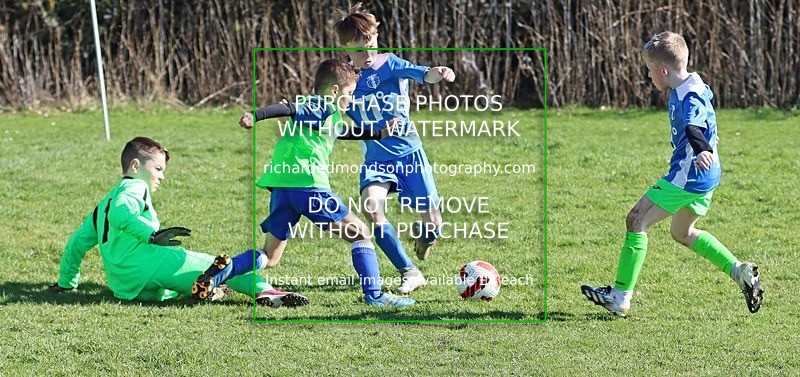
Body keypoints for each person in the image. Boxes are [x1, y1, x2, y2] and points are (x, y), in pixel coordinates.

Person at [197, 58, 415, 307]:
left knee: (270, 257)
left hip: (283, 189)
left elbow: (342, 131)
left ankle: (222, 273)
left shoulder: (327, 115)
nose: (351, 99)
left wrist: (379, 133)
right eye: (350, 93)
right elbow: (288, 109)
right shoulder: (320, 106)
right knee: (361, 234)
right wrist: (254, 116)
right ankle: (375, 296)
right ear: (335, 90)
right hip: (309, 186)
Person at [581, 31, 764, 317]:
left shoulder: (688, 96)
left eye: (649, 70)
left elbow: (693, 126)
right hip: (706, 176)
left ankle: (619, 296)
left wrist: (703, 148)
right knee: (683, 232)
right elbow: (707, 113)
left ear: (663, 70)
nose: (648, 76)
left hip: (688, 176)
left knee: (636, 220)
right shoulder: (694, 85)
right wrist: (710, 144)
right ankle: (738, 271)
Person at [50, 136, 308, 307]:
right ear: (136, 165)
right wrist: (150, 236)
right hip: (149, 265)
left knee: (195, 281)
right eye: (158, 169)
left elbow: (76, 244)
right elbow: (122, 214)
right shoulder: (134, 189)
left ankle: (207, 291)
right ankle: (265, 290)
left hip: (126, 287)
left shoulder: (101, 206)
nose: (161, 177)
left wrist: (66, 283)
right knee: (216, 268)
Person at [332, 2, 456, 295]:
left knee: (433, 225)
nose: (367, 54)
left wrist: (440, 71)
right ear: (345, 48)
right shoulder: (346, 80)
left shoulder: (392, 64)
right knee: (372, 208)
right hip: (377, 159)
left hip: (410, 154)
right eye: (359, 50)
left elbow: (423, 73)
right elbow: (335, 110)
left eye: (371, 45)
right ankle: (409, 271)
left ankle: (425, 241)